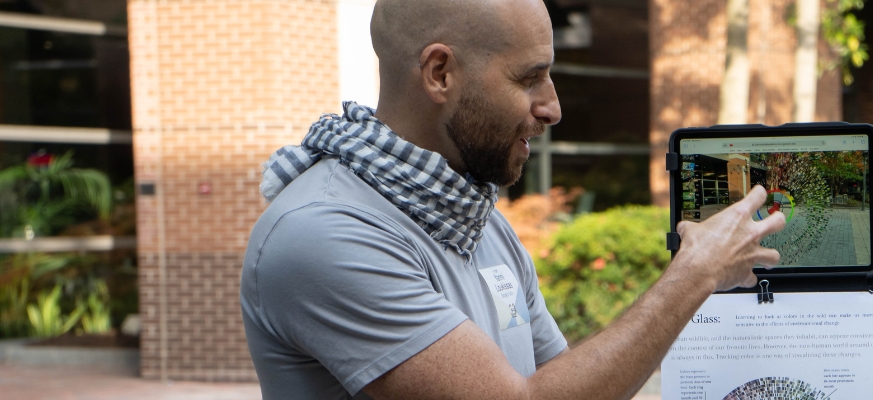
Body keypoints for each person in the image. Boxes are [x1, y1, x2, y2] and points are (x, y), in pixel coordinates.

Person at [239, 0, 786, 398]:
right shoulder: (325, 231)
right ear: (440, 73)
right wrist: (695, 274)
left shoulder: (476, 220)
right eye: (530, 78)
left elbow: (568, 384)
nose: (552, 107)